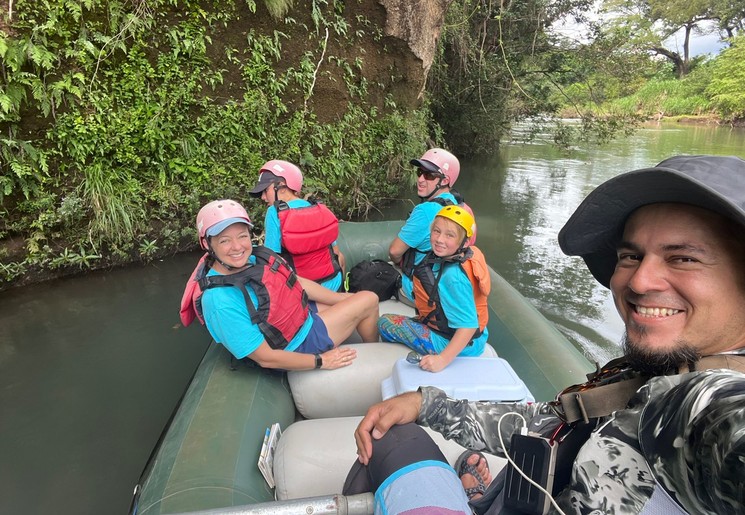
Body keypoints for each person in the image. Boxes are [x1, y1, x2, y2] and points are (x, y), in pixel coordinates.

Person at [346, 155, 745, 514]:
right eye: (631, 256)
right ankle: (478, 496)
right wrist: (428, 405)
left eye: (684, 258)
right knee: (399, 424)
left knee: (390, 441)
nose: (639, 281)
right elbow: (556, 420)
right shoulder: (646, 370)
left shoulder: (708, 405)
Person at [181, 199, 379, 371]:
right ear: (207, 244)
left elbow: (296, 282)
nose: (237, 247)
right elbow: (265, 358)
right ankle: (376, 354)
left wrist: (341, 298)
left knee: (350, 298)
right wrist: (320, 361)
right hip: (297, 345)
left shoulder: (255, 257)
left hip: (298, 318)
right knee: (369, 299)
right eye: (225, 240)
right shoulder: (218, 300)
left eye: (242, 236)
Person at [378, 205, 490, 372]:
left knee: (384, 322)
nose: (439, 239)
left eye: (449, 235)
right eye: (436, 231)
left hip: (455, 344)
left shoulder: (453, 277)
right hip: (472, 338)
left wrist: (442, 360)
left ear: (465, 242)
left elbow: (468, 325)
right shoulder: (460, 257)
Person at [390, 148, 475, 304]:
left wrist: (398, 263)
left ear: (444, 180)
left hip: (422, 291)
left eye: (429, 175)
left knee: (377, 273)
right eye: (419, 173)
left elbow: (394, 252)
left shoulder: (425, 211)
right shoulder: (460, 206)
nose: (421, 179)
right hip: (444, 287)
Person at [249, 160, 346, 292]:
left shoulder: (274, 212)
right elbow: (337, 254)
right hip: (335, 283)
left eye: (265, 190)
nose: (263, 197)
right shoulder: (317, 207)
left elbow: (271, 261)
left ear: (281, 186)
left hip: (306, 293)